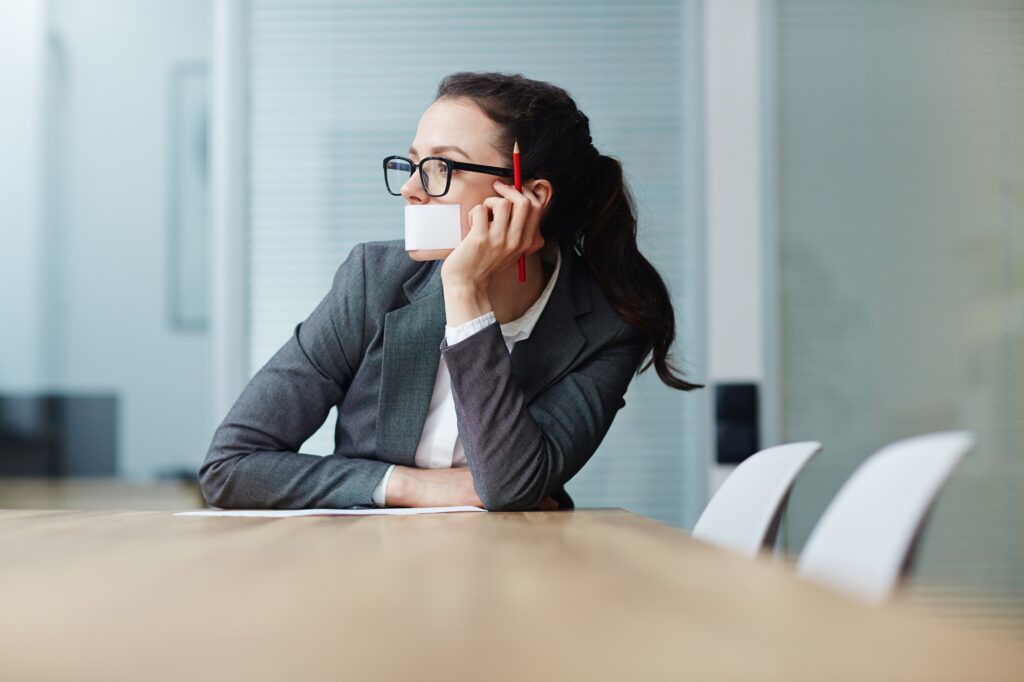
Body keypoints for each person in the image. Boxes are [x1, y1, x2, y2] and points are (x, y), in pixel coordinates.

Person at [198, 72, 701, 512]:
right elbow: (230, 465)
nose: (414, 189)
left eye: (442, 168)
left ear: (528, 197)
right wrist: (415, 487)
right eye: (413, 164)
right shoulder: (374, 279)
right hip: (364, 562)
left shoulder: (608, 324)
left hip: (526, 568)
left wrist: (464, 290)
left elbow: (509, 489)